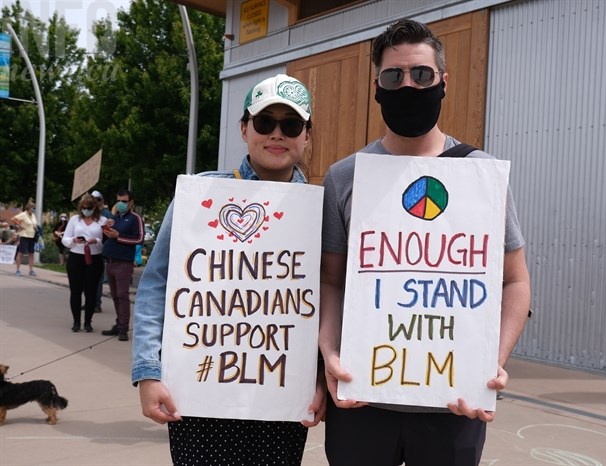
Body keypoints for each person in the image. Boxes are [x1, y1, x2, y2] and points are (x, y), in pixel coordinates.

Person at [319, 20, 531, 466]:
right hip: (362, 404)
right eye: (394, 76)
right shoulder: (345, 175)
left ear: (444, 82)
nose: (408, 86)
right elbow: (332, 282)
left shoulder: (481, 174)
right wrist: (330, 353)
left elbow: (515, 281)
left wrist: (492, 362)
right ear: (377, 86)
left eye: (421, 75)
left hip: (453, 404)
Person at [132, 74, 325, 465]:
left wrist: (319, 378)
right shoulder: (200, 194)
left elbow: (326, 299)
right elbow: (157, 285)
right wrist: (148, 372)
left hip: (281, 397)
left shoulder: (321, 209)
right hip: (200, 392)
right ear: (243, 128)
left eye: (290, 125)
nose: (277, 134)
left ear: (306, 135)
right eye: (264, 122)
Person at [101, 189, 144, 341]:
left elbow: (139, 239)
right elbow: (107, 239)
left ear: (131, 202)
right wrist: (106, 230)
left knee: (122, 295)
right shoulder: (114, 218)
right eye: (118, 200)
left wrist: (118, 237)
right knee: (115, 295)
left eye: (124, 201)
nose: (120, 204)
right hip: (110, 261)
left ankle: (124, 327)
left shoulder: (135, 218)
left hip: (124, 263)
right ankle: (119, 324)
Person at [62, 194, 108, 332]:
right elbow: (65, 239)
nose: (86, 210)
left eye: (89, 208)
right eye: (83, 208)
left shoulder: (102, 221)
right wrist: (74, 240)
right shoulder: (75, 220)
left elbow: (105, 242)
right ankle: (76, 321)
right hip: (76, 256)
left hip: (94, 258)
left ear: (95, 207)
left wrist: (96, 241)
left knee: (91, 292)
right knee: (75, 291)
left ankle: (88, 322)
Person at [91, 190, 112, 313]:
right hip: (89, 251)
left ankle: (97, 303)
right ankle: (90, 301)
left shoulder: (106, 215)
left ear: (102, 201)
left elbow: (110, 232)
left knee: (98, 279)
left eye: (98, 200)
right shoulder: (91, 214)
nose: (95, 203)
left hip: (101, 251)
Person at [11, 201, 39, 276]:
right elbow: (13, 219)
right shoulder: (23, 214)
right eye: (33, 208)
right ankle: (18, 269)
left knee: (31, 253)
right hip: (24, 236)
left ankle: (31, 270)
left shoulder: (33, 215)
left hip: (32, 236)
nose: (34, 209)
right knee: (21, 252)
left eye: (34, 208)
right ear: (28, 208)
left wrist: (35, 227)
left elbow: (34, 223)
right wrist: (19, 225)